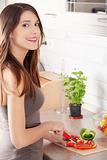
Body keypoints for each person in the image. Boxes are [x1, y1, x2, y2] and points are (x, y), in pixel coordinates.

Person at [0, 3, 65, 160]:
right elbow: (19, 140)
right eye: (25, 25)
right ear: (9, 32)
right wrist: (47, 127)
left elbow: (16, 124)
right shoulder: (15, 74)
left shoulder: (14, 67)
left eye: (36, 24)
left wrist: (47, 135)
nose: (35, 30)